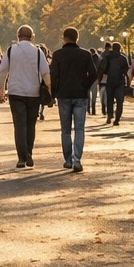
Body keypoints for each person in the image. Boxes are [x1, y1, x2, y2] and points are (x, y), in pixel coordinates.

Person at [0, 25, 51, 168]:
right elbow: (46, 73)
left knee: (19, 125)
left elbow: (2, 71)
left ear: (18, 36)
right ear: (32, 37)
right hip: (33, 93)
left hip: (15, 92)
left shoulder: (10, 51)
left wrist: (1, 91)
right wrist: (51, 92)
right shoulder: (38, 52)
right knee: (30, 124)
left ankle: (22, 157)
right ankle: (29, 153)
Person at [50, 27, 98, 172]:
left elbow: (54, 76)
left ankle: (68, 160)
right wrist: (85, 85)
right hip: (80, 94)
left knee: (65, 130)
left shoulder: (58, 55)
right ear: (77, 38)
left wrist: (53, 94)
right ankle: (77, 159)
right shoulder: (85, 54)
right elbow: (94, 74)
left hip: (64, 95)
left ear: (64, 38)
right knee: (79, 128)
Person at [101, 42, 130, 125]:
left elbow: (104, 70)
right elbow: (126, 70)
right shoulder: (123, 58)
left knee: (110, 100)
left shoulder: (108, 57)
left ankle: (109, 115)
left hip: (110, 81)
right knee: (120, 101)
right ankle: (117, 119)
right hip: (120, 82)